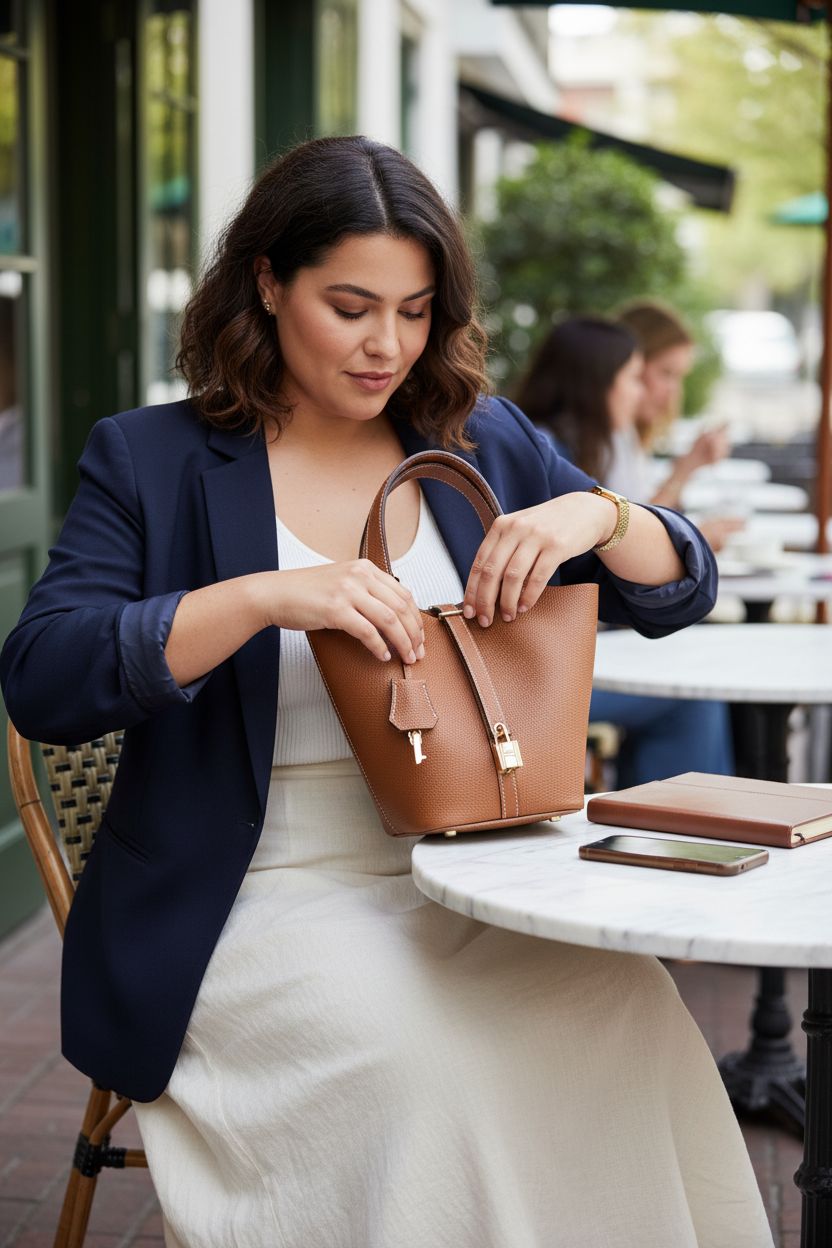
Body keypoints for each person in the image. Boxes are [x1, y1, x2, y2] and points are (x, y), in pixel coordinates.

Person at [0, 137, 772, 1248]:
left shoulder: (479, 441)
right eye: (351, 306)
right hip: (249, 892)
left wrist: (602, 515)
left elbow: (681, 587)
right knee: (437, 1070)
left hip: (474, 872)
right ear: (267, 283)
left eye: (414, 312)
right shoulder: (151, 460)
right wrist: (263, 596)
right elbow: (45, 675)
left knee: (631, 1016)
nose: (386, 347)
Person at [514, 316, 735, 787]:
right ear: (596, 383)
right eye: (634, 378)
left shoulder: (578, 444)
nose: (640, 394)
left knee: (692, 686)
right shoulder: (546, 454)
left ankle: (664, 828)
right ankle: (677, 834)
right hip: (528, 676)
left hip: (559, 657)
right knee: (691, 696)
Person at [618, 299, 743, 552]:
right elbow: (630, 539)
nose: (673, 391)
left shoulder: (626, 437)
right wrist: (699, 537)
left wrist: (690, 464)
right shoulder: (606, 439)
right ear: (629, 365)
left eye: (678, 377)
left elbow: (636, 519)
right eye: (666, 373)